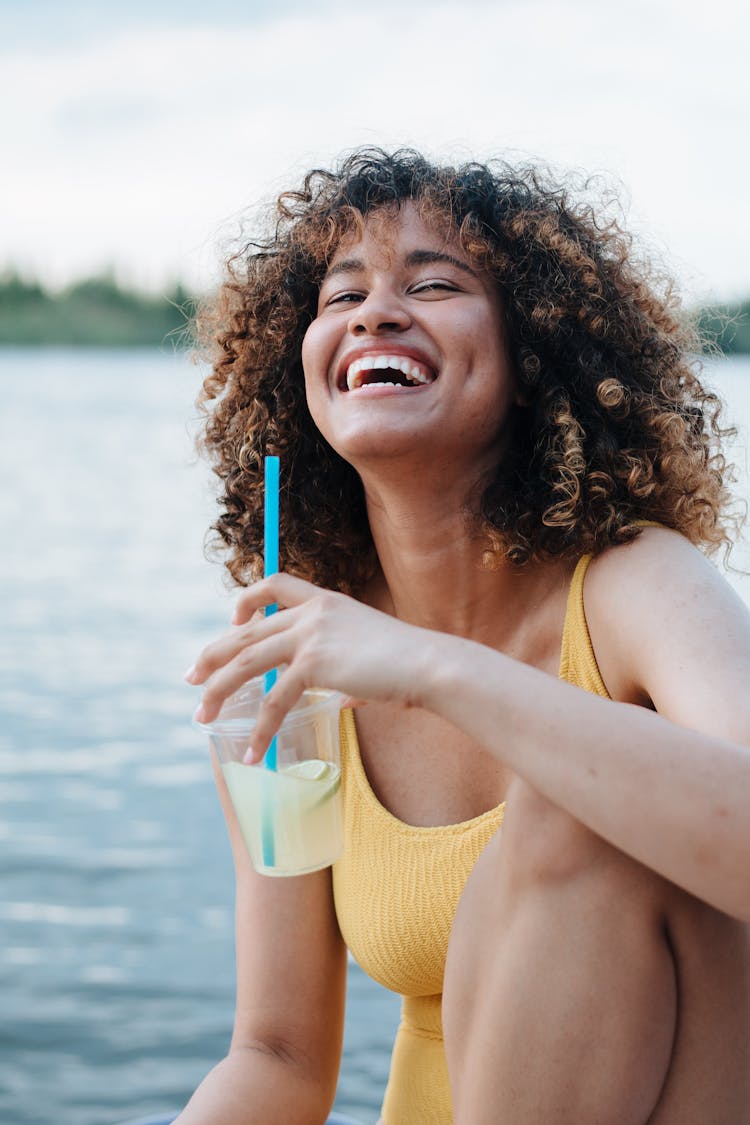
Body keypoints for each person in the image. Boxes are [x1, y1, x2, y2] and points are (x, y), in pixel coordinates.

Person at [180, 148, 750, 1124]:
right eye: (340, 295)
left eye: (434, 283)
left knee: (586, 789)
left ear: (535, 357)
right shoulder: (302, 673)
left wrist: (434, 671)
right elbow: (276, 1054)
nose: (372, 312)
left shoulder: (633, 583)